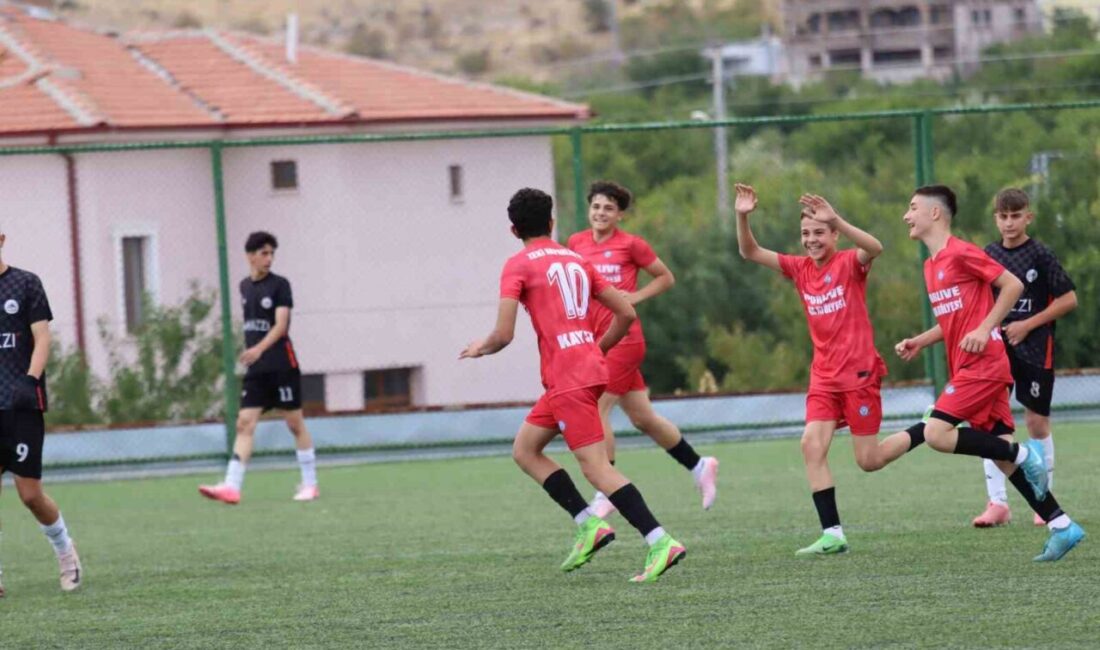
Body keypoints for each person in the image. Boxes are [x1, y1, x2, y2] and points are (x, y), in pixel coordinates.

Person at [460, 188, 685, 583]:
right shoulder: (576, 258)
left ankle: (660, 541)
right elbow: (626, 313)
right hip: (585, 370)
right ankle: (588, 524)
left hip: (568, 378)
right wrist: (598, 348)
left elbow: (504, 334)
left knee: (596, 469)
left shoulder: (517, 265)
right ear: (551, 223)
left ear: (513, 230)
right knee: (525, 450)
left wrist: (481, 347)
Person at [892, 185, 1084, 561]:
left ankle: (1024, 451)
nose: (906, 215)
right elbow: (953, 319)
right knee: (1001, 456)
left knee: (936, 434)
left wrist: (985, 329)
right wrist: (920, 341)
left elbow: (1012, 285)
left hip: (985, 364)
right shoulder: (930, 266)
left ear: (935, 213)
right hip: (969, 364)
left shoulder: (962, 252)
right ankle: (1061, 525)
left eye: (912, 208)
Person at [734, 183, 916, 556]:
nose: (811, 240)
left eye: (819, 232)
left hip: (859, 374)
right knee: (810, 444)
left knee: (869, 460)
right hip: (824, 377)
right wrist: (742, 216)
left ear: (834, 235)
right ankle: (832, 534)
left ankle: (927, 428)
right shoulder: (800, 268)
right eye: (806, 233)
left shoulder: (849, 262)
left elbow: (875, 247)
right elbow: (749, 251)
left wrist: (838, 218)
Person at [567, 181, 718, 517]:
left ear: (620, 214)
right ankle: (699, 465)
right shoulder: (576, 242)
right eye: (596, 206)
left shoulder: (631, 244)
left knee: (596, 407)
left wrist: (635, 297)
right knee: (643, 418)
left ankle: (606, 489)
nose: (601, 213)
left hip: (624, 340)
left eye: (609, 208)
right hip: (596, 340)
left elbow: (665, 277)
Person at [971, 188, 1077, 528]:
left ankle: (1042, 500)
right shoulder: (988, 254)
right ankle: (997, 503)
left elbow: (1068, 299)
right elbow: (978, 301)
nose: (1009, 222)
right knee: (989, 421)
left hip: (1035, 347)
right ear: (995, 219)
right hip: (996, 349)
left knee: (1036, 422)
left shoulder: (1040, 254)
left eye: (1016, 216)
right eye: (1003, 216)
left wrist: (1027, 324)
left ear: (1028, 217)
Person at [199, 231, 318, 505]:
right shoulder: (244, 287)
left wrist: (258, 349)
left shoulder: (280, 285)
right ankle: (232, 486)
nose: (269, 258)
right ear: (250, 256)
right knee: (244, 423)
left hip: (282, 365)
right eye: (264, 253)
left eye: (271, 253)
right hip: (257, 370)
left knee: (294, 424)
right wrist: (254, 354)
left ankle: (310, 484)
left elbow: (281, 326)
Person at [0, 223, 82, 596]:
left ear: (2, 240)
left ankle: (66, 553)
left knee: (30, 495)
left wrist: (30, 381)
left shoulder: (26, 283)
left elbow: (42, 337)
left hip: (22, 405)